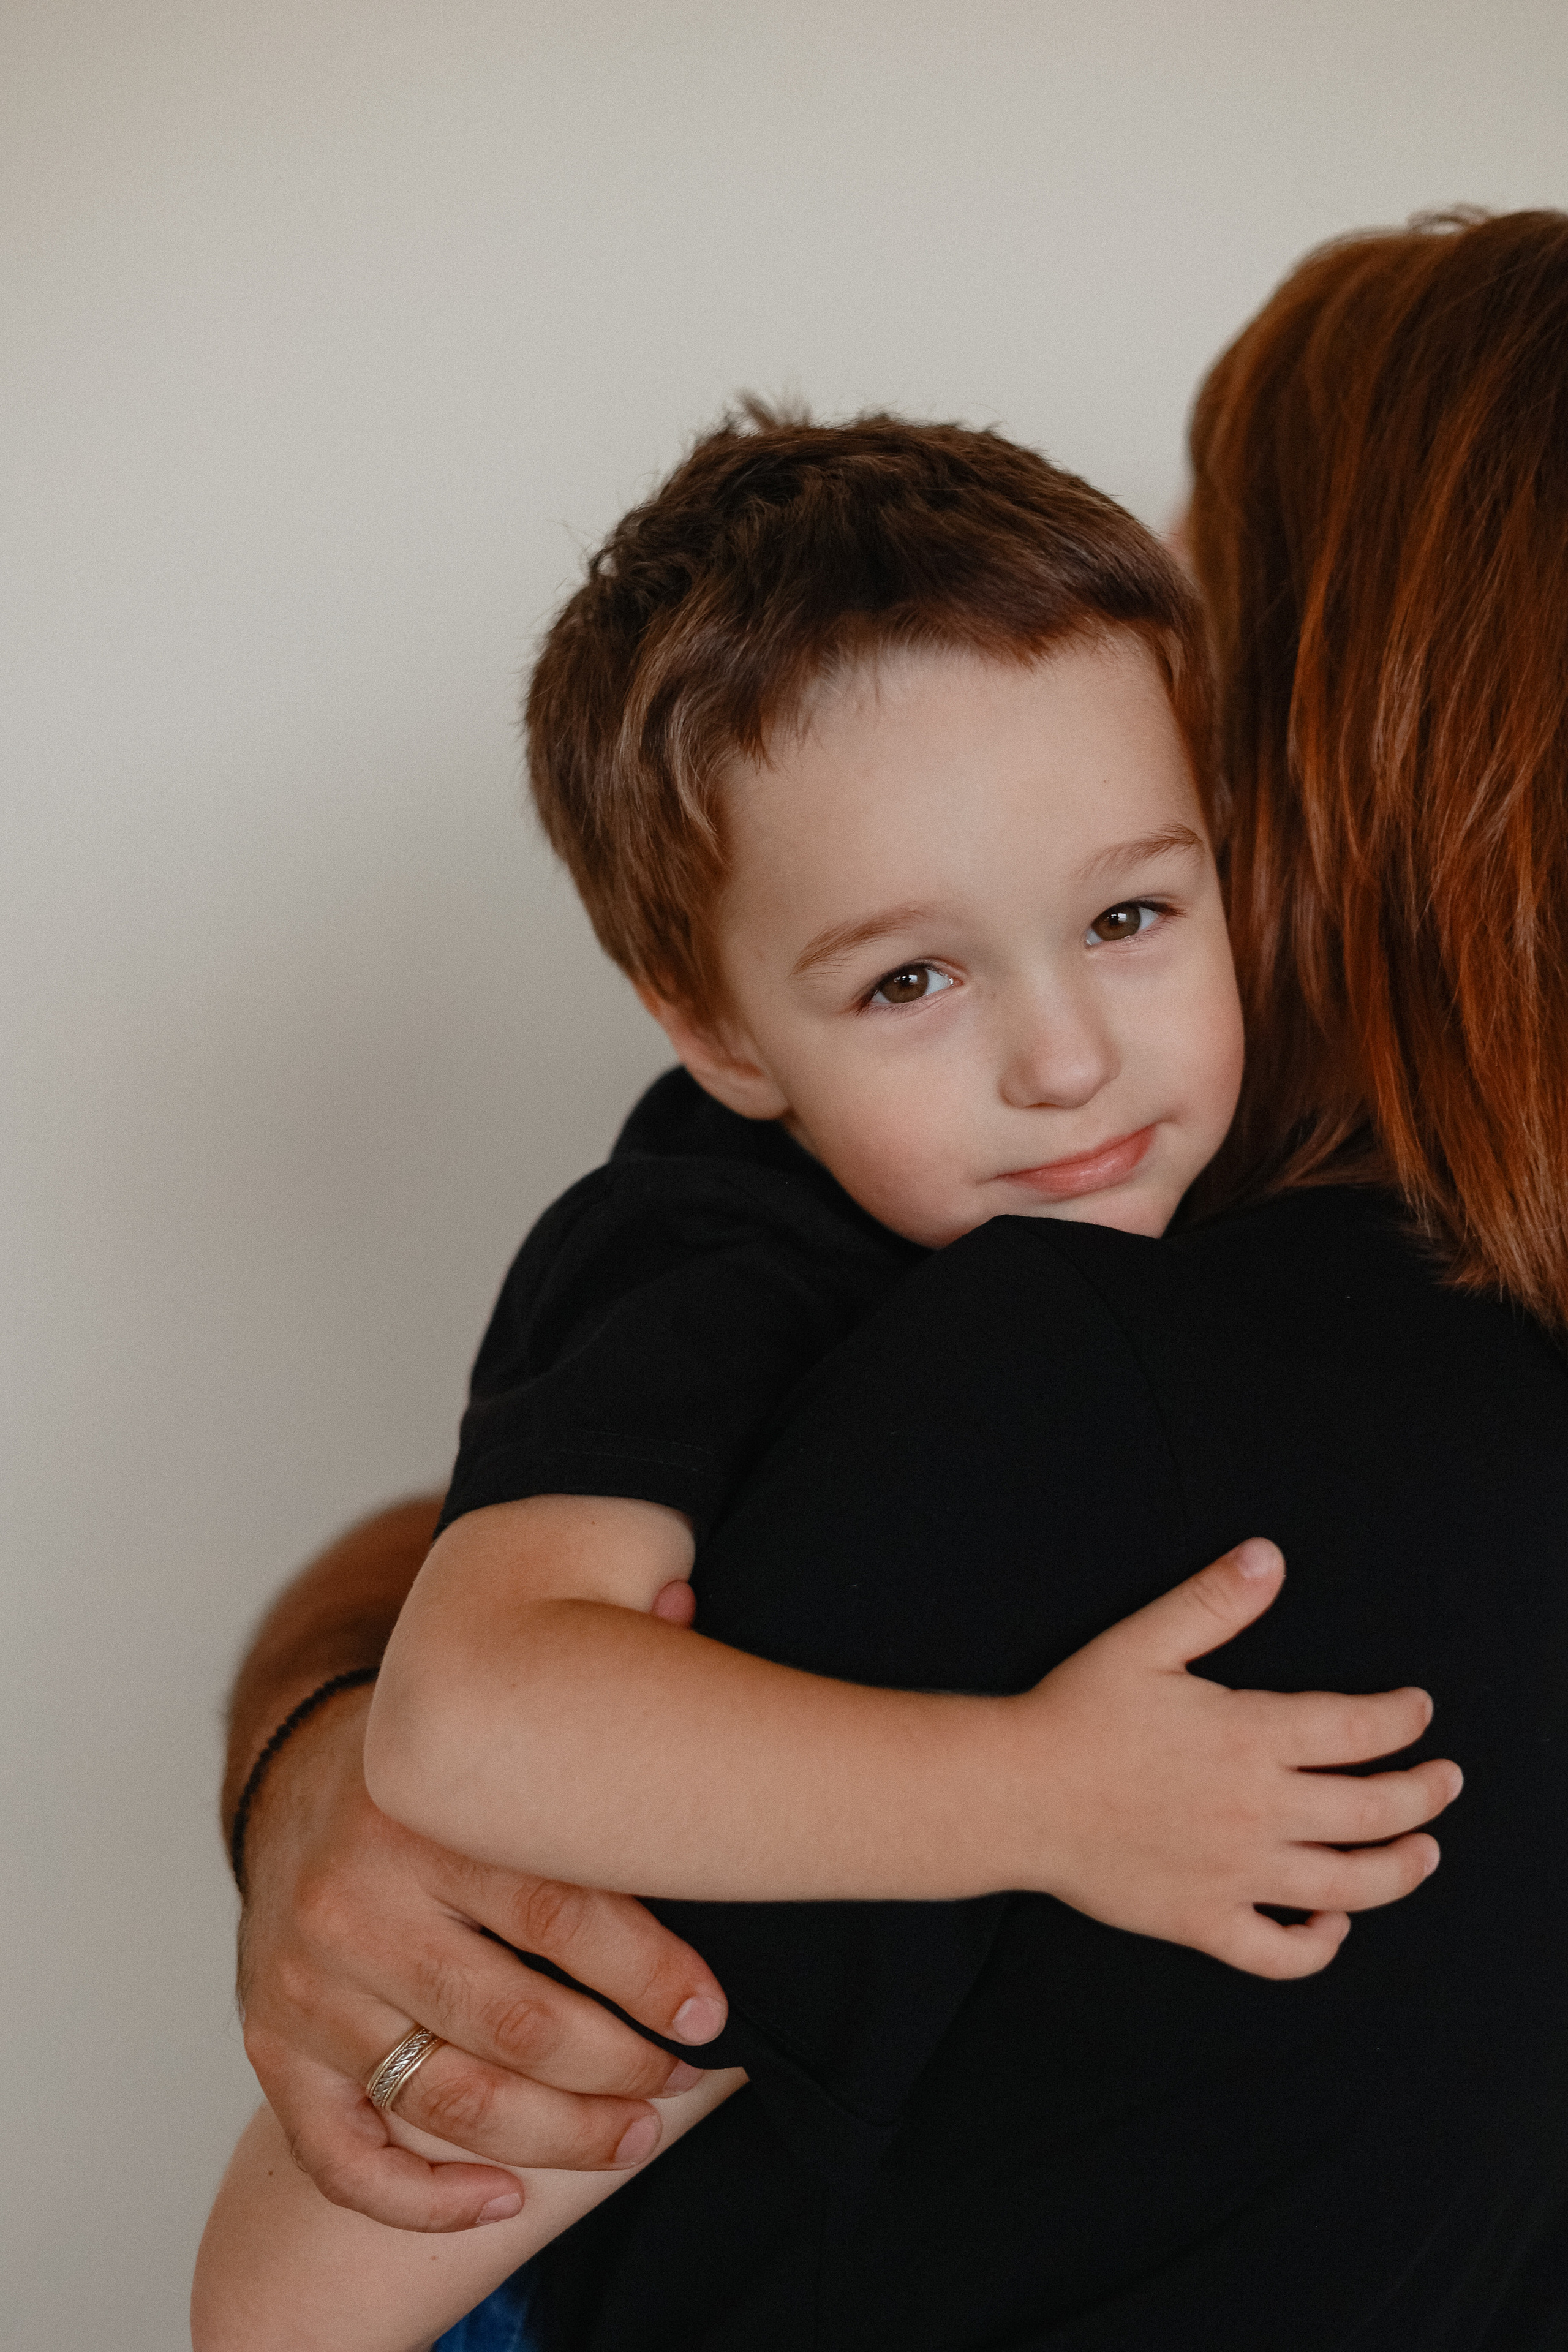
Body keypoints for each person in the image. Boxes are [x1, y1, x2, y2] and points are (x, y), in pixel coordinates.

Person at [214, 205, 1568, 2346]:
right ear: (720, 1033)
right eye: (915, 973)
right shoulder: (753, 1234)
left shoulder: (1099, 1348)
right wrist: (1037, 1793)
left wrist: (321, 1731)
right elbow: (491, 1676)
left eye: (1136, 909)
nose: (1060, 1057)